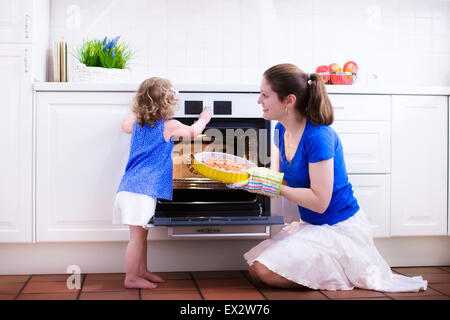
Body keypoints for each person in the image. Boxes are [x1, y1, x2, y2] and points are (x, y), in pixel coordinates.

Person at [229, 63, 427, 292]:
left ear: (289, 101)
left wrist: (273, 186)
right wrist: (250, 177)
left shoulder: (319, 136)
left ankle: (344, 271)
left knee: (264, 271)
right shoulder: (281, 130)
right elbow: (281, 178)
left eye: (265, 95)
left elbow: (319, 201)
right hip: (311, 225)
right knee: (256, 268)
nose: (259, 101)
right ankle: (324, 267)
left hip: (338, 228)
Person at [114, 77, 212, 289]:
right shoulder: (169, 126)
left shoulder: (136, 123)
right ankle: (131, 278)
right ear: (169, 104)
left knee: (141, 235)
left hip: (131, 187)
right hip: (141, 190)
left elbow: (124, 125)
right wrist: (204, 118)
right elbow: (194, 132)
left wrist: (140, 110)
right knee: (136, 238)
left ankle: (142, 271)